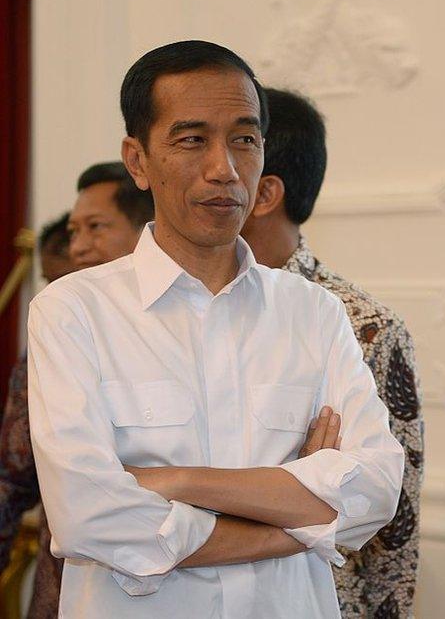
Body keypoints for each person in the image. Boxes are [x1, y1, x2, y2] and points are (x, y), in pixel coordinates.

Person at [26, 41, 403, 618]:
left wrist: (173, 481)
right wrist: (298, 517)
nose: (223, 169)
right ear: (138, 160)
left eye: (245, 140)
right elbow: (88, 515)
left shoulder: (314, 313)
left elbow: (375, 488)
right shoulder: (74, 310)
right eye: (192, 139)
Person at [240, 87, 422, 618]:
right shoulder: (179, 307)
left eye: (239, 144)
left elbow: (394, 535)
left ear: (264, 192)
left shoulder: (365, 326)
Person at [0, 163, 154, 618]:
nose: (79, 246)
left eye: (95, 227)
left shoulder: (201, 324)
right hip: (69, 589)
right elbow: (12, 477)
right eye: (73, 230)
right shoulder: (56, 335)